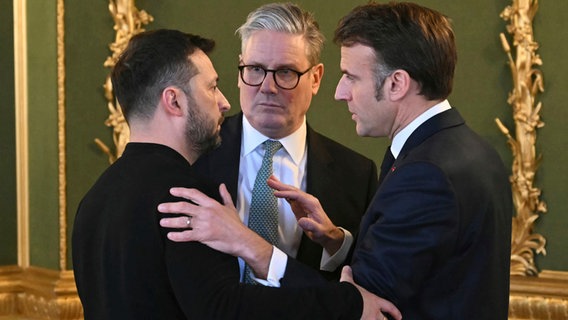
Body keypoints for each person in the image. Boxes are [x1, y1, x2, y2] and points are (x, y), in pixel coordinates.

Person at [160, 2, 513, 319]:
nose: (341, 93)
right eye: (253, 69)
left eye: (285, 72)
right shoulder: (186, 160)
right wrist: (338, 243)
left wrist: (251, 247)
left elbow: (366, 306)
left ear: (396, 84)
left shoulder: (395, 173)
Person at [72, 29, 399, 319]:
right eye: (212, 87)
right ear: (174, 100)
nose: (225, 102)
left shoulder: (94, 199)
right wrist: (349, 304)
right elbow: (225, 307)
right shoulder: (188, 197)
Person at [191, 2, 378, 281]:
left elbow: (366, 276)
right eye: (255, 69)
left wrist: (335, 242)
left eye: (286, 72)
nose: (268, 86)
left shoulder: (356, 175)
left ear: (315, 79)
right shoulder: (193, 155)